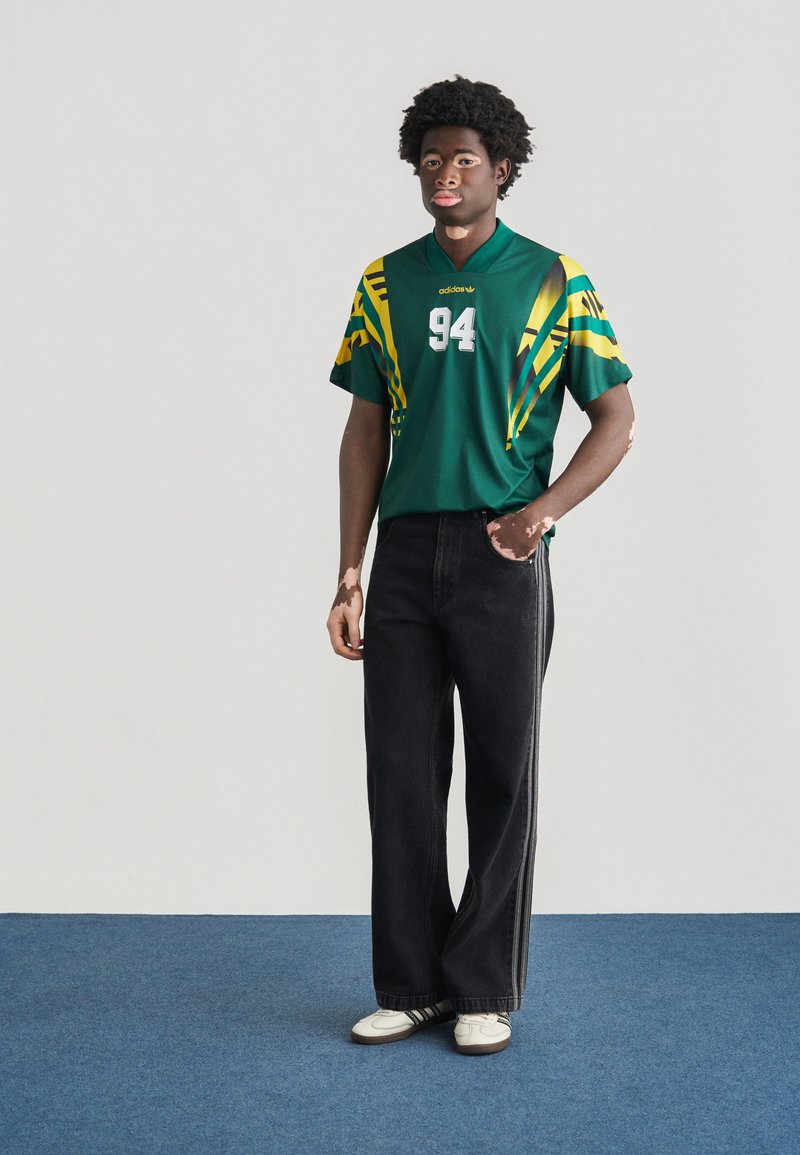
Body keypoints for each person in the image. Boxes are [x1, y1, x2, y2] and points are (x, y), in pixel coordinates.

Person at [326, 76, 635, 1056]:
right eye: (430, 160)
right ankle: (411, 983)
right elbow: (363, 432)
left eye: (464, 159)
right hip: (405, 554)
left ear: (502, 169)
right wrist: (349, 569)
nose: (444, 175)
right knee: (400, 776)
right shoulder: (384, 284)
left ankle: (481, 988)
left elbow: (615, 418)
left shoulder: (553, 280)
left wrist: (543, 512)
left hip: (503, 553)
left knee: (502, 774)